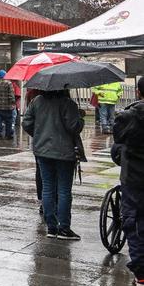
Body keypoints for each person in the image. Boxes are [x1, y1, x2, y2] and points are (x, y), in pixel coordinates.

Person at [22, 89, 84, 240]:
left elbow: (26, 123)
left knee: (48, 187)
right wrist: (80, 117)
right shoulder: (68, 104)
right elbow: (74, 127)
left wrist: (39, 134)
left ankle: (51, 227)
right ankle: (64, 228)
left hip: (42, 151)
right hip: (64, 152)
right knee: (64, 190)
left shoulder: (37, 101)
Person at [111, 100, 144, 286]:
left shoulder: (128, 117)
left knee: (134, 222)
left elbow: (117, 147)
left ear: (139, 92)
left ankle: (141, 272)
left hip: (133, 178)